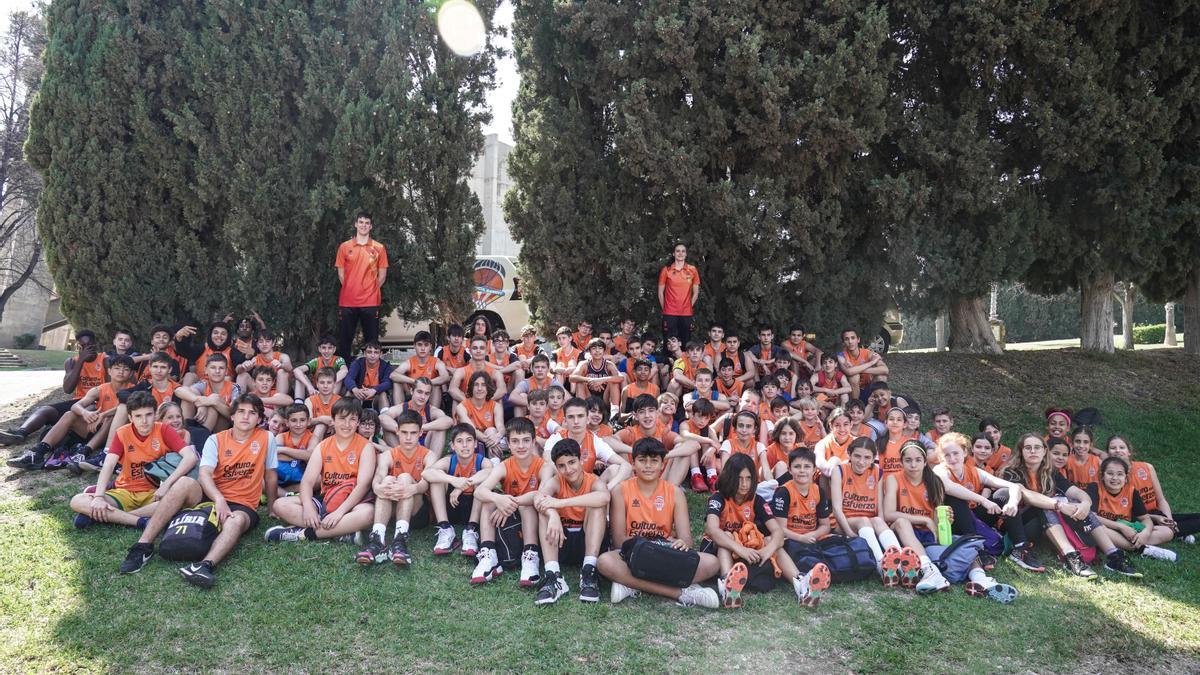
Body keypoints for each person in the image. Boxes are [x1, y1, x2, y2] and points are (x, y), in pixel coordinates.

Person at [118, 394, 278, 588]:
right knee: (184, 482)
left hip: (242, 504)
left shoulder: (267, 438)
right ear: (232, 416)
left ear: (260, 419)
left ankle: (204, 566)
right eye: (241, 412)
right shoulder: (216, 439)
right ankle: (143, 546)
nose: (246, 416)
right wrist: (218, 499)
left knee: (236, 521)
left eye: (252, 413)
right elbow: (204, 475)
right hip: (209, 494)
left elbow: (270, 475)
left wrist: (271, 507)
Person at [597, 438, 721, 608]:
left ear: (663, 464)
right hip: (633, 553)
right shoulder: (621, 490)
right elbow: (619, 540)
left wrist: (681, 543)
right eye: (642, 460)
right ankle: (680, 593)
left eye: (654, 461)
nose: (648, 466)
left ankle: (630, 583)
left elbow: (687, 539)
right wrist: (649, 546)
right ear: (633, 464)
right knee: (604, 561)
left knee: (712, 563)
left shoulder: (675, 492)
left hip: (665, 552)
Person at [68, 391, 197, 529]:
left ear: (155, 415)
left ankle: (114, 517)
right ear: (130, 417)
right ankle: (139, 521)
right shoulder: (122, 433)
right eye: (138, 416)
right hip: (126, 491)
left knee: (177, 502)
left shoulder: (164, 430)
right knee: (77, 500)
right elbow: (109, 464)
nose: (144, 421)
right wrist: (99, 497)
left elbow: (191, 457)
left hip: (154, 494)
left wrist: (167, 485)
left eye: (148, 415)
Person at [266, 397, 377, 543]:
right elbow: (307, 481)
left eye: (352, 419)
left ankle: (302, 534)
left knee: (368, 514)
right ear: (333, 420)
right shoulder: (323, 445)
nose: (347, 424)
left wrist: (339, 513)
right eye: (342, 419)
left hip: (353, 502)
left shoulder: (366, 447)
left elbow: (363, 485)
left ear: (357, 422)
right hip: (326, 499)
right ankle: (342, 532)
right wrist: (308, 508)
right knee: (280, 505)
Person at [469, 417, 549, 587]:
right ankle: (488, 552)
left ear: (534, 442)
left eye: (526, 440)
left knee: (527, 504)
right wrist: (498, 499)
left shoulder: (544, 466)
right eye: (515, 441)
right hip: (510, 520)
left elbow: (542, 494)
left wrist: (510, 503)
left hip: (534, 520)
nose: (521, 446)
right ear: (508, 444)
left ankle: (530, 556)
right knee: (489, 501)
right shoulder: (504, 465)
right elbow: (480, 491)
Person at [4, 330, 107, 461]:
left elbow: (109, 389)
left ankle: (58, 441)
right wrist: (81, 361)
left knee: (84, 411)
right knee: (44, 410)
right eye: (83, 346)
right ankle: (21, 433)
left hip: (95, 403)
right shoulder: (72, 362)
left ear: (96, 344)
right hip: (77, 402)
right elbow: (68, 389)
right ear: (78, 347)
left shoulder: (105, 360)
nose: (87, 349)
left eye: (90, 345)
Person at [533, 439, 611, 605]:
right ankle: (553, 575)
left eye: (572, 462)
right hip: (562, 540)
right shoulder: (556, 481)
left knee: (596, 506)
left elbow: (604, 497)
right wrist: (553, 515)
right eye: (561, 466)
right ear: (556, 467)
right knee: (544, 511)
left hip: (588, 542)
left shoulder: (593, 481)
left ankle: (589, 570)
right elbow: (539, 498)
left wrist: (561, 503)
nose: (568, 470)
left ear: (581, 459)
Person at [355, 411, 433, 566]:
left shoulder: (429, 455)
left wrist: (412, 488)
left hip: (418, 512)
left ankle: (401, 538)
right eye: (404, 432)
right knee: (387, 480)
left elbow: (426, 483)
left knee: (404, 477)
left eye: (413, 433)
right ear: (397, 431)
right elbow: (378, 476)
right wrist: (378, 487)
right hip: (394, 507)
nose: (408, 438)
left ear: (421, 433)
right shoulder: (388, 455)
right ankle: (377, 540)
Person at [38, 355, 137, 469]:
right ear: (109, 371)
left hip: (116, 433)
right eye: (117, 368)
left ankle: (84, 452)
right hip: (96, 428)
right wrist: (86, 414)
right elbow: (76, 405)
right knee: (69, 414)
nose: (121, 372)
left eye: (126, 369)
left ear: (131, 374)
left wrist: (103, 415)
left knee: (111, 417)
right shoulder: (100, 389)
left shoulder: (135, 389)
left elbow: (124, 408)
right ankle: (38, 451)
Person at [881, 442, 953, 594]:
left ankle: (921, 570)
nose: (913, 465)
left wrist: (945, 521)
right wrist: (923, 519)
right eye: (908, 460)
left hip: (926, 534)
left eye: (918, 460)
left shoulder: (935, 482)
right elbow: (888, 514)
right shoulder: (894, 479)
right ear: (901, 462)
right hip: (901, 531)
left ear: (925, 461)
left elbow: (936, 519)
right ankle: (929, 569)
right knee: (901, 521)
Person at [829, 437, 905, 578]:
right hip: (844, 522)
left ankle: (901, 564)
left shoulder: (877, 472)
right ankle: (881, 566)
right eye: (857, 456)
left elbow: (879, 507)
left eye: (867, 457)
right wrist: (849, 533)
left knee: (877, 520)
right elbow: (836, 509)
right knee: (864, 520)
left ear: (873, 458)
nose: (861, 461)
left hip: (869, 522)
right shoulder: (839, 471)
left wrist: (880, 525)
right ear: (849, 454)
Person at [1106, 435, 1200, 543]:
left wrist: (1168, 519)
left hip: (1156, 513)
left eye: (1122, 447)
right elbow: (1121, 512)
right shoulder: (1113, 478)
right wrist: (1156, 518)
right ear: (1108, 453)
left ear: (1129, 451)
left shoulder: (1147, 467)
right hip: (1136, 519)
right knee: (1167, 529)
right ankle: (1177, 532)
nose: (1118, 450)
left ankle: (1177, 531)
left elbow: (1161, 499)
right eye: (1113, 448)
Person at [422, 424, 494, 557]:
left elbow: (490, 472)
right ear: (453, 446)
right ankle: (445, 528)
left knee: (482, 482)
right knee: (437, 478)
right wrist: (453, 481)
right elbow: (426, 474)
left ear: (476, 443)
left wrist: (462, 486)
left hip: (473, 509)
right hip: (451, 507)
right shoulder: (449, 460)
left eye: (469, 440)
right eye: (460, 441)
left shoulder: (482, 461)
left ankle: (471, 530)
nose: (465, 445)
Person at [1090, 457, 1178, 561]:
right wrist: (1121, 527)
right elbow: (1092, 516)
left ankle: (1131, 544)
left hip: (1128, 532)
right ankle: (1142, 549)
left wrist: (1145, 533)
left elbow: (1145, 519)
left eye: (1120, 474)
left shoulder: (1131, 491)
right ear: (1102, 476)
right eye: (1110, 473)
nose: (1115, 478)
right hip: (1107, 529)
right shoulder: (1094, 488)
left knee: (1167, 532)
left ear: (1126, 477)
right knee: (1097, 528)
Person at [543, 397, 632, 489]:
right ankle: (543, 498)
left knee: (615, 470)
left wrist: (608, 488)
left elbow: (626, 465)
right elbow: (548, 460)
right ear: (565, 421)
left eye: (580, 416)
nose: (576, 421)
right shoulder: (556, 438)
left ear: (588, 419)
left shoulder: (595, 441)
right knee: (548, 469)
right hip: (561, 487)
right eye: (571, 417)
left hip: (586, 490)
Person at [335, 211, 389, 360]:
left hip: (371, 302)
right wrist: (352, 288)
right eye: (361, 222)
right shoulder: (344, 247)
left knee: (372, 343)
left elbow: (382, 276)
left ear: (371, 226)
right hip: (347, 301)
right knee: (345, 342)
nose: (363, 225)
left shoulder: (379, 248)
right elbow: (341, 275)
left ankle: (371, 377)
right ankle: (343, 375)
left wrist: (369, 290)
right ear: (355, 224)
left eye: (367, 223)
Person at [615, 394, 701, 486]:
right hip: (634, 479)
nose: (647, 416)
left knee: (681, 448)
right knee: (618, 446)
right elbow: (607, 441)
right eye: (642, 412)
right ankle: (633, 489)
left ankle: (669, 492)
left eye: (651, 411)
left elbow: (694, 444)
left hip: (661, 479)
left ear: (657, 413)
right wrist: (636, 451)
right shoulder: (631, 432)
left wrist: (663, 455)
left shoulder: (663, 432)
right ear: (635, 416)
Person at [175, 354, 238, 432]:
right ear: (206, 370)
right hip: (202, 421)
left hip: (222, 429)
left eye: (221, 368)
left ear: (226, 371)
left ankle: (201, 436)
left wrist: (214, 402)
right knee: (189, 397)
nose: (217, 371)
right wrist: (199, 401)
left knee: (215, 399)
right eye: (213, 367)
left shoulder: (234, 388)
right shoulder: (203, 384)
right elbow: (179, 390)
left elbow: (236, 416)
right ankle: (186, 432)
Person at [657, 242, 700, 346]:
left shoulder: (692, 270)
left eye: (683, 251)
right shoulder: (666, 270)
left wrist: (689, 306)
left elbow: (696, 292)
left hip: (686, 313)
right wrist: (666, 309)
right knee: (670, 343)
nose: (680, 253)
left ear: (686, 254)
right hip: (669, 313)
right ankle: (669, 362)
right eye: (677, 251)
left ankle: (684, 362)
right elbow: (660, 292)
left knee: (686, 342)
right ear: (673, 254)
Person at [456, 371, 505, 457]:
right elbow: (471, 429)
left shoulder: (496, 406)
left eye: (483, 385)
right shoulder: (461, 407)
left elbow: (500, 426)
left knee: (491, 430)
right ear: (471, 387)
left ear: (488, 387)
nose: (479, 388)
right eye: (476, 385)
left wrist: (498, 435)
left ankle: (494, 463)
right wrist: (491, 441)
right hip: (469, 438)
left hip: (490, 436)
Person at [449, 335, 507, 404]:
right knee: (456, 399)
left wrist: (485, 403)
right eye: (475, 348)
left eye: (482, 348)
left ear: (486, 351)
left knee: (499, 399)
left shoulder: (495, 373)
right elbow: (452, 389)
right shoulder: (461, 371)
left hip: (487, 408)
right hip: (467, 408)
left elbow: (502, 390)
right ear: (470, 351)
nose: (478, 351)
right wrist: (470, 404)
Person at [235, 330, 293, 395]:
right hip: (261, 391)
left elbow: (289, 368)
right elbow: (237, 370)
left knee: (282, 371)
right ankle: (237, 402)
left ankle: (278, 403)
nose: (264, 344)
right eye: (261, 342)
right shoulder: (256, 359)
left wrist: (281, 365)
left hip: (279, 393)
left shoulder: (282, 356)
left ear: (273, 343)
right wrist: (243, 366)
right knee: (242, 375)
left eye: (267, 341)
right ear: (257, 345)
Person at [569, 338, 622, 409]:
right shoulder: (584, 364)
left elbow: (620, 378)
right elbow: (572, 377)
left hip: (605, 397)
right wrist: (590, 380)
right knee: (580, 382)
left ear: (604, 351)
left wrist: (602, 380)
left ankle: (614, 413)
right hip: (588, 397)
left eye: (600, 348)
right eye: (594, 348)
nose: (597, 350)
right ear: (590, 351)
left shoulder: (609, 364)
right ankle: (582, 410)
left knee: (613, 382)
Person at [836, 329, 889, 400]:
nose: (850, 342)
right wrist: (872, 362)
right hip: (851, 392)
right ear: (843, 342)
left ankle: (877, 405)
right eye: (846, 339)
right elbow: (849, 372)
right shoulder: (841, 356)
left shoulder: (867, 353)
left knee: (881, 377)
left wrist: (857, 369)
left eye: (853, 338)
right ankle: (855, 406)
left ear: (858, 340)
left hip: (868, 388)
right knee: (854, 376)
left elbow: (885, 370)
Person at [291, 335, 348, 400]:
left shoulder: (338, 360)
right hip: (316, 391)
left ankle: (331, 401)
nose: (326, 351)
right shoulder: (316, 361)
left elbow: (344, 371)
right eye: (324, 348)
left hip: (332, 390)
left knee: (339, 378)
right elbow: (296, 370)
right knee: (300, 377)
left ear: (334, 349)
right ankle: (299, 403)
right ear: (319, 349)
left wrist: (331, 382)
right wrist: (309, 386)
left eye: (329, 348)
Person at [274, 403, 314, 491]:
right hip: (279, 475)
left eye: (302, 420)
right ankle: (284, 493)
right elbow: (275, 456)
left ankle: (284, 493)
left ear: (309, 421)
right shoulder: (281, 437)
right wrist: (301, 456)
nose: (298, 424)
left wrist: (283, 449)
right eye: (294, 420)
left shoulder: (313, 437)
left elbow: (310, 455)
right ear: (287, 423)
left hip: (301, 478)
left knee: (318, 478)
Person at [344, 341, 394, 409]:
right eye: (369, 352)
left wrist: (374, 390)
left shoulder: (386, 366)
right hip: (360, 394)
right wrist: (355, 389)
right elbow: (348, 378)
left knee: (383, 393)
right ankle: (345, 414)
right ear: (364, 353)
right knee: (349, 392)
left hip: (376, 395)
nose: (372, 355)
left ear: (381, 354)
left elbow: (388, 382)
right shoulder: (357, 363)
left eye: (376, 352)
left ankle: (384, 416)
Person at [814, 407, 856, 477]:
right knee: (834, 460)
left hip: (849, 480)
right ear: (831, 426)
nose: (842, 429)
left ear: (851, 424)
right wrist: (835, 471)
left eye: (845, 424)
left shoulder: (857, 443)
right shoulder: (823, 443)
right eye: (837, 425)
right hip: (826, 480)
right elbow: (819, 462)